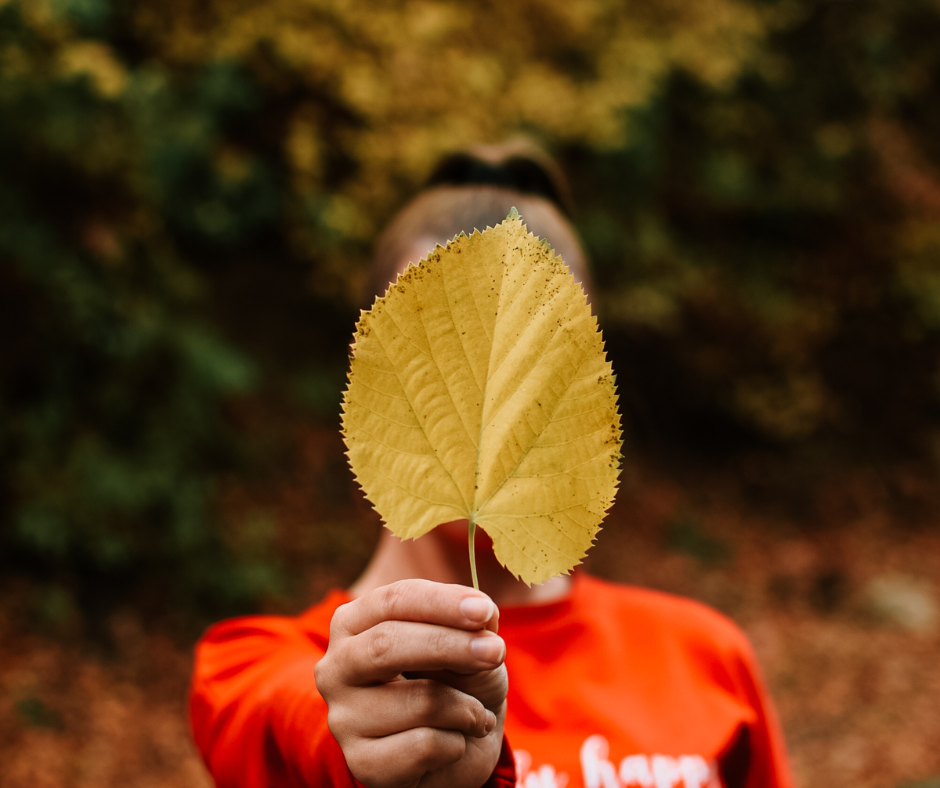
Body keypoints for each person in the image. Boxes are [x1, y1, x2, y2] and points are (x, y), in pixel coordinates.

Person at [189, 142, 795, 788]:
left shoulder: (705, 659)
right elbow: (295, 723)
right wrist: (364, 747)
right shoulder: (251, 669)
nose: (486, 398)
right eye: (435, 349)